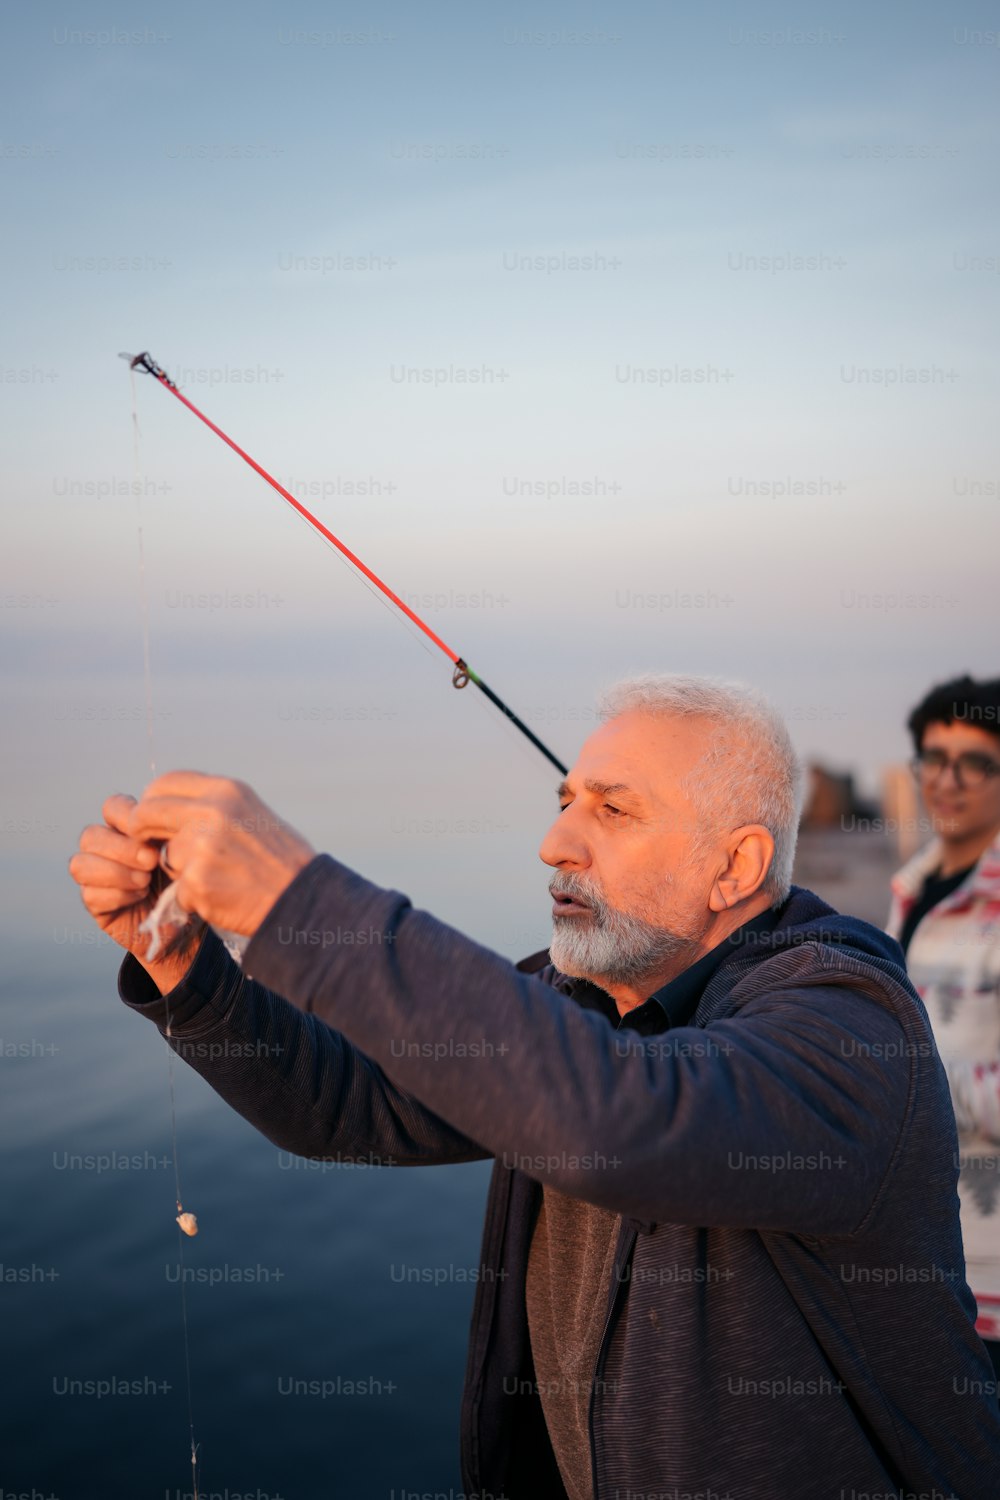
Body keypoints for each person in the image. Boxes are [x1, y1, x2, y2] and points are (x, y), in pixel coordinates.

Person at [69, 674, 1000, 1500]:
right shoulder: (578, 998)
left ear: (736, 867)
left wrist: (295, 899)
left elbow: (628, 1120)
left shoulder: (850, 1020)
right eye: (565, 800)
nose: (555, 841)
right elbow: (347, 1103)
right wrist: (186, 965)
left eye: (613, 809)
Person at [886, 673, 1000, 1375]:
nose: (947, 780)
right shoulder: (910, 887)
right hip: (921, 1265)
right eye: (933, 758)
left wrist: (910, 1079)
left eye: (976, 762)